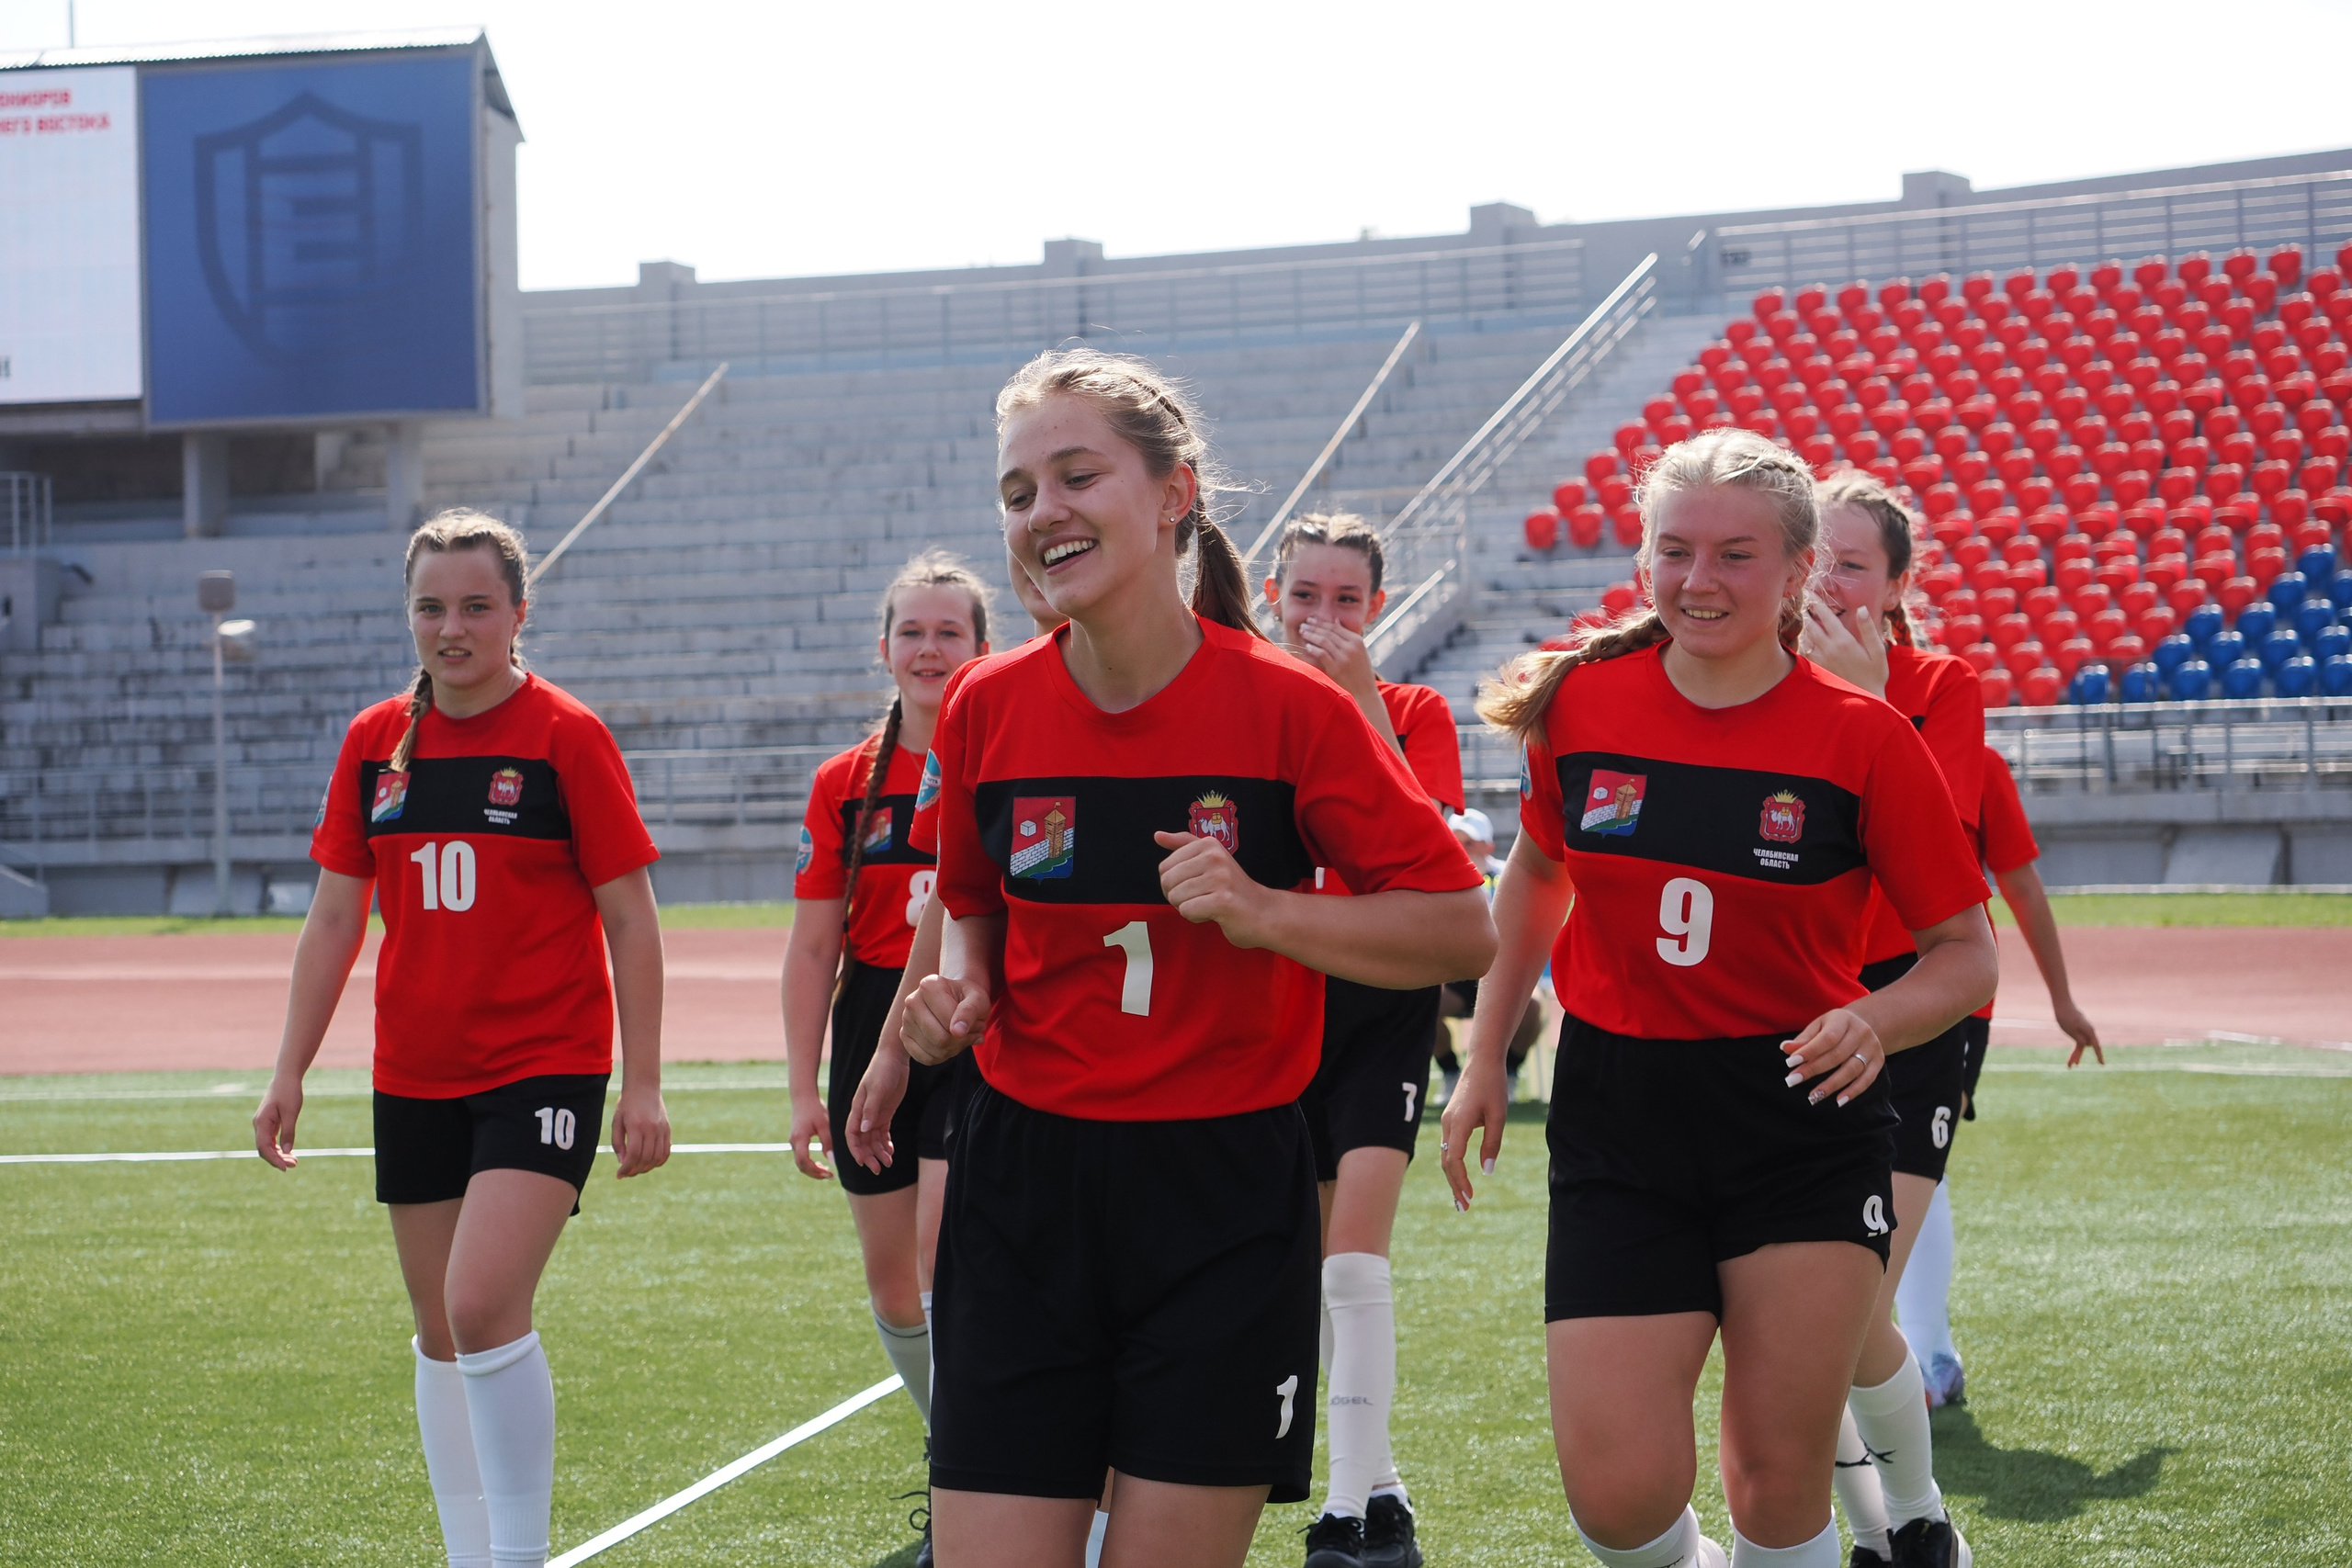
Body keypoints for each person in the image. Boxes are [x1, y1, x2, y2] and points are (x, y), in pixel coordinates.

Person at [855, 346, 1495, 1568]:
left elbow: (1460, 926)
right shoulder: (988, 704)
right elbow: (976, 906)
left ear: (1172, 492)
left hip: (1221, 1191)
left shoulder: (1291, 708)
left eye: (1076, 474)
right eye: (1017, 491)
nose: (1043, 511)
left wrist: (1270, 912)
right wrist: (945, 1011)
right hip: (1023, 1188)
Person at [1439, 430, 1996, 1568]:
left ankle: (1909, 1516)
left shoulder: (1865, 739)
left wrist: (1875, 1020)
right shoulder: (1584, 705)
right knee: (1617, 1499)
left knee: (1776, 1480)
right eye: (1673, 551)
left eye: (1736, 555)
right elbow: (1537, 874)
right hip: (1617, 1113)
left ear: (1797, 571)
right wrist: (1488, 1052)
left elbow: (1964, 956)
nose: (1698, 583)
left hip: (1795, 1115)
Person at [254, 509, 670, 1568]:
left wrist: (645, 1087)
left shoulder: (565, 736)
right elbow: (336, 918)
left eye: (477, 606)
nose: (453, 628)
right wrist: (288, 1069)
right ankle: (466, 1552)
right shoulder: (372, 745)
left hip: (546, 1064)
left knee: (482, 1305)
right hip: (415, 1074)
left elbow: (631, 917)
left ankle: (518, 1556)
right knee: (440, 1333)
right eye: (432, 607)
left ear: (518, 613)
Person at [1263, 513, 1463, 1568]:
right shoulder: (1247, 701)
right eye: (1305, 597)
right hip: (1275, 1005)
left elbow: (1427, 838)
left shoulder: (1413, 708)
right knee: (1303, 1260)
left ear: (1376, 612)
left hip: (1383, 1003)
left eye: (1345, 602)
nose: (1322, 619)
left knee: (1355, 1262)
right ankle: (1379, 1488)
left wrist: (1357, 701)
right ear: (1269, 594)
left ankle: (1343, 1517)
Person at [1803, 472, 1987, 1565]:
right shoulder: (1748, 681)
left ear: (1897, 582)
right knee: (1798, 1304)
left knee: (1850, 1294)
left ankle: (1910, 1522)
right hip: (1796, 1013)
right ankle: (1886, 1531)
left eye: (1852, 564)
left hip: (1911, 1011)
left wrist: (1864, 703)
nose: (1826, 583)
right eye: (1812, 557)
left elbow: (1935, 858)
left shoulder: (1939, 684)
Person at [782, 550, 994, 1479]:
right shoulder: (844, 782)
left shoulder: (999, 754)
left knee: (945, 1253)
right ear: (884, 647)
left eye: (950, 630)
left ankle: (976, 1479)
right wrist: (801, 1089)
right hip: (871, 1023)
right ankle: (957, 1448)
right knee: (894, 1288)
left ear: (983, 647)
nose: (930, 647)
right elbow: (811, 949)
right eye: (913, 630)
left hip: (969, 1019)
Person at [1893, 743, 2103, 1408]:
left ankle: (1928, 1355)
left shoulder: (1973, 760)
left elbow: (2019, 883)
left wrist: (2062, 999)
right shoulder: (1807, 728)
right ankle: (1900, 1353)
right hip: (1839, 983)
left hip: (1950, 993)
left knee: (1921, 1160)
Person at [1434, 807, 1544, 1108]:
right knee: (1422, 1004)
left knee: (1532, 1008)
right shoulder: (1438, 879)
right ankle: (1451, 1074)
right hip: (1457, 975)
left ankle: (1508, 1074)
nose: (1461, 848)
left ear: (1489, 846)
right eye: (1456, 841)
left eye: (1469, 842)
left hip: (1502, 974)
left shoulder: (1509, 877)